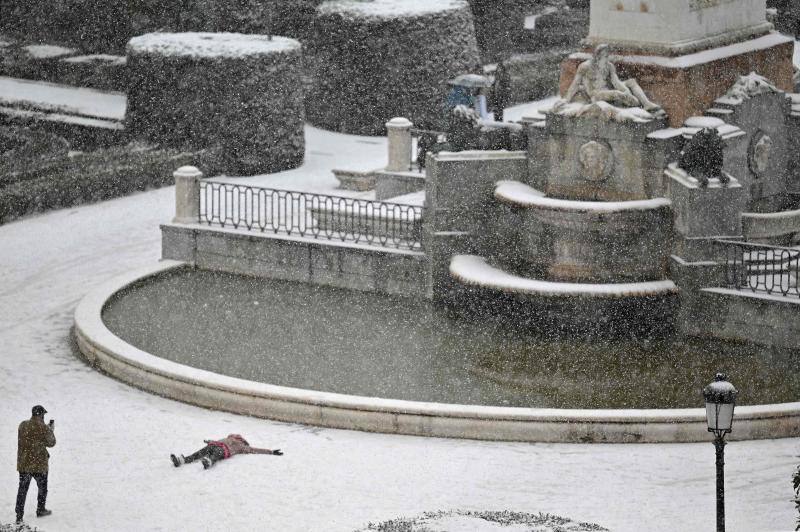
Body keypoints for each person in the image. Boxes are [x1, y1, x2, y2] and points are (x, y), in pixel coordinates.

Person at [557, 44, 663, 115]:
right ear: (597, 56)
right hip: (595, 94)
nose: (607, 58)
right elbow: (575, 84)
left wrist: (625, 91)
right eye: (605, 56)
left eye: (607, 55)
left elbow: (616, 81)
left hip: (608, 89)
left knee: (631, 82)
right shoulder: (585, 67)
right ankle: (628, 100)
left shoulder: (609, 66)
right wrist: (566, 99)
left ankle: (646, 104)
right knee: (617, 94)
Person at [16, 405, 56, 523]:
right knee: (42, 488)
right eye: (43, 415)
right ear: (41, 415)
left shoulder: (22, 425)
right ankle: (40, 509)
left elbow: (30, 437)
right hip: (39, 465)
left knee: (22, 490)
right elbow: (51, 443)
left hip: (24, 463)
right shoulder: (44, 428)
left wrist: (45, 430)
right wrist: (50, 430)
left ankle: (19, 515)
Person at [171, 434, 283, 470]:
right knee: (198, 453)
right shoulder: (226, 438)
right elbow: (216, 441)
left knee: (215, 455)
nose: (233, 435)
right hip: (214, 445)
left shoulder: (242, 446)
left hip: (223, 450)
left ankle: (209, 461)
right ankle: (182, 460)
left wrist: (271, 452)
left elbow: (255, 450)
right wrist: (209, 441)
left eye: (235, 435)